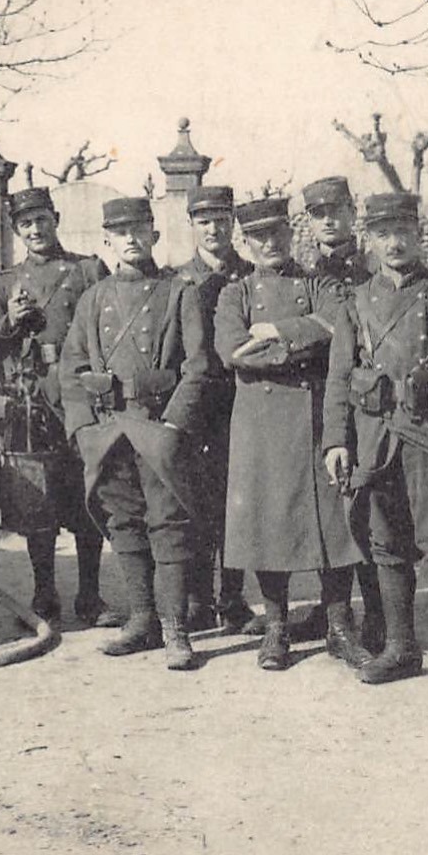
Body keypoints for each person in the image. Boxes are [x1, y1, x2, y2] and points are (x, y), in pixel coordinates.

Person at [324, 193, 428, 698]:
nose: (394, 243)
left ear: (419, 235)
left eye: (403, 232)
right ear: (369, 240)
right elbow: (338, 378)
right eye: (382, 234)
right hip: (375, 436)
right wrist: (337, 439)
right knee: (385, 544)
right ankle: (401, 647)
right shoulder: (355, 302)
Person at [59, 196, 217, 671]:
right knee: (124, 524)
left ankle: (175, 630)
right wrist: (84, 429)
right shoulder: (94, 298)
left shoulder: (179, 292)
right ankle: (142, 619)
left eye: (139, 229)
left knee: (168, 527)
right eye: (119, 232)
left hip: (157, 430)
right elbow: (72, 368)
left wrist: (173, 425)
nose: (130, 239)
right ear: (106, 240)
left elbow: (199, 366)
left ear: (154, 235)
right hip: (109, 433)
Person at [211, 196, 366, 670]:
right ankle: (276, 628)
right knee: (266, 523)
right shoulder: (233, 294)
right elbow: (233, 350)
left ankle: (339, 626)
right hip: (260, 424)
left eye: (277, 233)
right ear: (246, 242)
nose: (269, 243)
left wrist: (277, 330)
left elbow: (339, 327)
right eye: (258, 236)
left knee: (332, 523)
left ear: (290, 233)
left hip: (317, 415)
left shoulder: (320, 284)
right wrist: (300, 349)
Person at [0, 186, 111, 625]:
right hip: (35, 403)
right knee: (39, 500)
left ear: (56, 219)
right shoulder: (6, 283)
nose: (35, 229)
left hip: (82, 397)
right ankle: (44, 591)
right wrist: (10, 322)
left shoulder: (87, 271)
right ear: (17, 231)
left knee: (90, 496)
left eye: (42, 220)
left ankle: (91, 595)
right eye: (26, 224)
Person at [291, 175, 386, 652]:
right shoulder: (305, 276)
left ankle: (379, 614)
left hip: (370, 400)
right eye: (317, 213)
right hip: (322, 398)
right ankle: (336, 614)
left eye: (336, 210)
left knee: (369, 506)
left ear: (354, 212)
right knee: (331, 507)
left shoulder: (376, 268)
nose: (328, 220)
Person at [172, 185, 255, 634]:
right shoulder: (176, 279)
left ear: (233, 223)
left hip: (242, 402)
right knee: (197, 503)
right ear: (192, 227)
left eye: (222, 220)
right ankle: (197, 598)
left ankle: (233, 597)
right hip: (198, 405)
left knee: (237, 503)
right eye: (204, 221)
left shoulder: (252, 275)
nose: (214, 229)